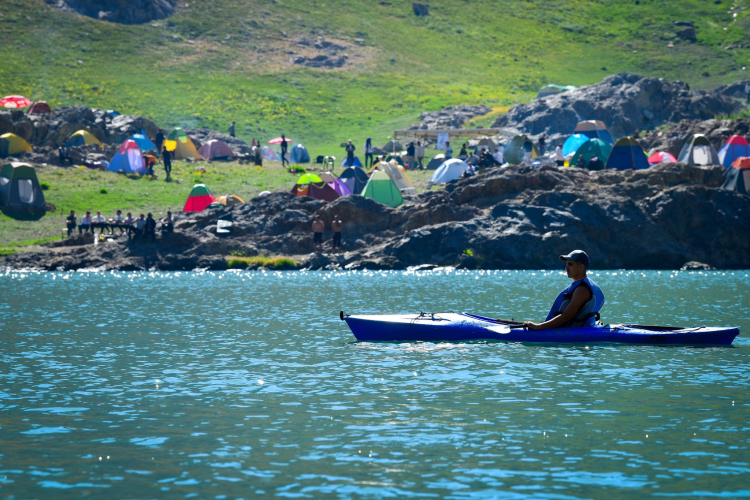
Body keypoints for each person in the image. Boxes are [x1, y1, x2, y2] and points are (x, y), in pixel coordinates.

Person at [524, 250, 605, 331]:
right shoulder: (584, 286)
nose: (566, 268)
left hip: (571, 332)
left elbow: (566, 317)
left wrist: (539, 326)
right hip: (584, 328)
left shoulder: (581, 290)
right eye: (566, 264)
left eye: (570, 264)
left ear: (581, 267)